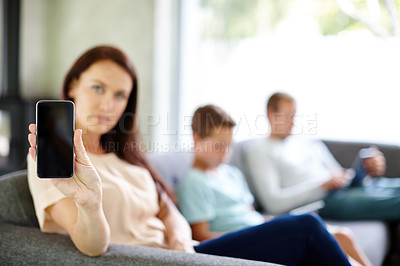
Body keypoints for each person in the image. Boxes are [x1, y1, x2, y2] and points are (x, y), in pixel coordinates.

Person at [27, 46, 350, 265]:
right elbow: (92, 246)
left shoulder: (125, 155)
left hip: (184, 255)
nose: (109, 104)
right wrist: (91, 203)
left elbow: (167, 209)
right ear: (72, 86)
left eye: (120, 94)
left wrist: (180, 239)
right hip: (149, 261)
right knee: (305, 229)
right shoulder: (53, 159)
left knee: (311, 237)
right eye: (97, 88)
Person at [178, 104, 372, 266]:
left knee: (339, 235)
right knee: (309, 225)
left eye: (229, 145)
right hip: (236, 241)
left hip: (255, 229)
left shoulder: (232, 174)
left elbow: (250, 214)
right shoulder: (194, 181)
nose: (224, 152)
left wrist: (277, 221)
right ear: (197, 139)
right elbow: (201, 235)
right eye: (218, 145)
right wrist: (255, 233)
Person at [246, 92, 400, 221]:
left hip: (346, 189)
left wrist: (362, 171)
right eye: (287, 117)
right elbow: (273, 203)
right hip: (325, 201)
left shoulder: (308, 142)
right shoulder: (260, 150)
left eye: (294, 116)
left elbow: (337, 172)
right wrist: (320, 186)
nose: (292, 123)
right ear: (270, 114)